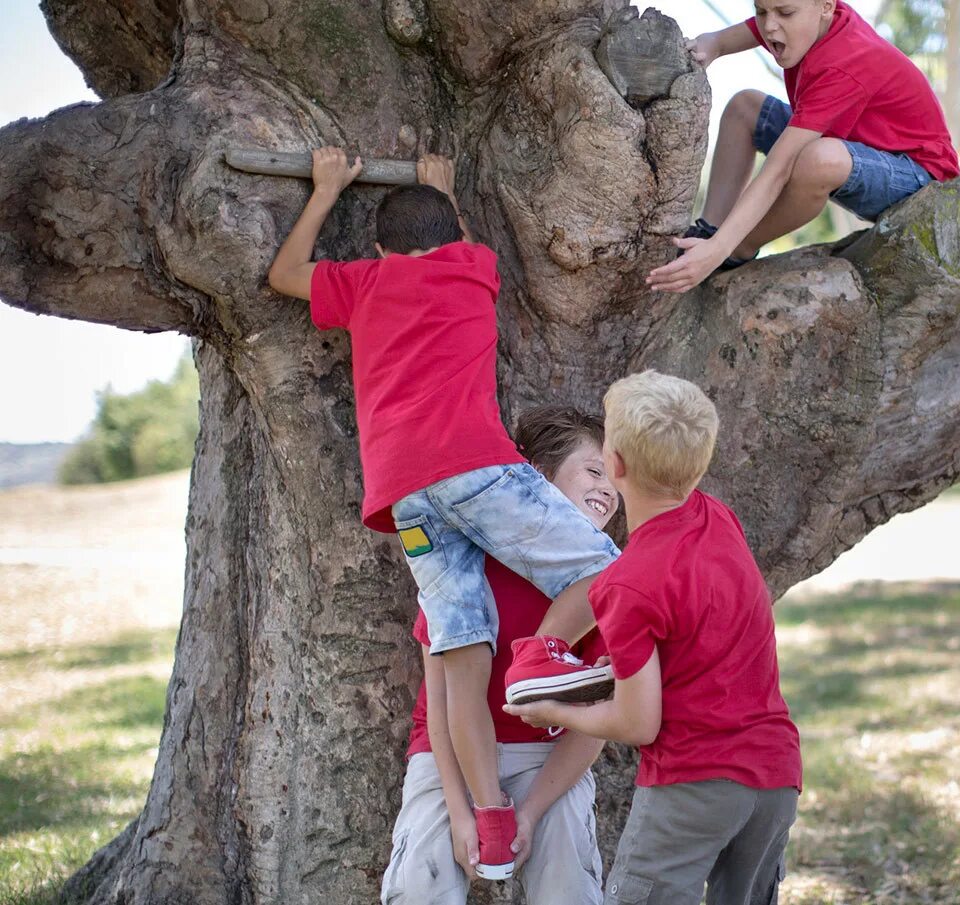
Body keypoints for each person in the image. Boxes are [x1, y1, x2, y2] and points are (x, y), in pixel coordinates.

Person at [266, 149, 617, 879]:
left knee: (461, 648)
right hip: (473, 467)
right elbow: (450, 236)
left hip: (404, 495)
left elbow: (283, 274)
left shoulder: (363, 283)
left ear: (380, 249)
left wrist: (326, 189)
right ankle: (545, 655)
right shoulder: (474, 268)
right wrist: (442, 188)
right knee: (612, 571)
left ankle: (489, 821)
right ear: (454, 234)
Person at [508, 371, 802, 905]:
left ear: (615, 466)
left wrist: (555, 710)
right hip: (777, 777)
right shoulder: (719, 519)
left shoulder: (627, 583)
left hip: (693, 782)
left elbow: (637, 721)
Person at [382, 405, 617, 904]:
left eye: (616, 479)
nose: (609, 489)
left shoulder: (602, 587)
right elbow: (440, 708)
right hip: (449, 755)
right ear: (532, 481)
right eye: (595, 471)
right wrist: (463, 809)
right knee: (421, 884)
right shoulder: (462, 566)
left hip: (549, 758)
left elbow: (596, 725)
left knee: (568, 882)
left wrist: (530, 811)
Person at [647, 0, 959, 293]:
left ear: (826, 6)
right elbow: (723, 39)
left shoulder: (845, 62)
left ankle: (734, 249)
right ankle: (707, 231)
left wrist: (722, 248)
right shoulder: (804, 19)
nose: (769, 26)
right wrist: (707, 46)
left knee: (816, 159)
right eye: (761, 10)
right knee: (745, 107)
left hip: (919, 178)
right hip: (859, 150)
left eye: (784, 12)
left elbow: (778, 171)